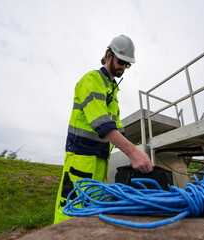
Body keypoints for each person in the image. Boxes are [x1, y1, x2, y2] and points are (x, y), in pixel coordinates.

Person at [54, 35, 154, 224]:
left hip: (100, 162)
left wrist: (139, 154)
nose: (123, 67)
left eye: (128, 65)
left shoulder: (112, 92)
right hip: (81, 161)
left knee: (92, 214)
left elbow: (118, 128)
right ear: (109, 55)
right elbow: (102, 124)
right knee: (70, 213)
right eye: (121, 61)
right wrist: (133, 154)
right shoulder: (91, 80)